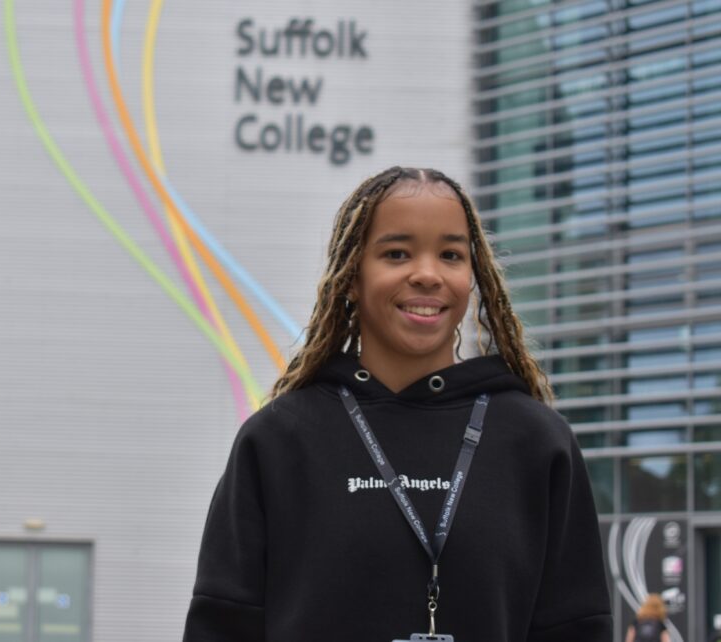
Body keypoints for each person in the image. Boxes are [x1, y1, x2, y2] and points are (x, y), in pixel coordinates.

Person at [182, 167, 612, 641]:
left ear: (473, 276)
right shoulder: (279, 440)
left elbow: (576, 627)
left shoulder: (537, 442)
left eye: (450, 254)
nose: (427, 274)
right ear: (351, 277)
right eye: (396, 253)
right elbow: (223, 625)